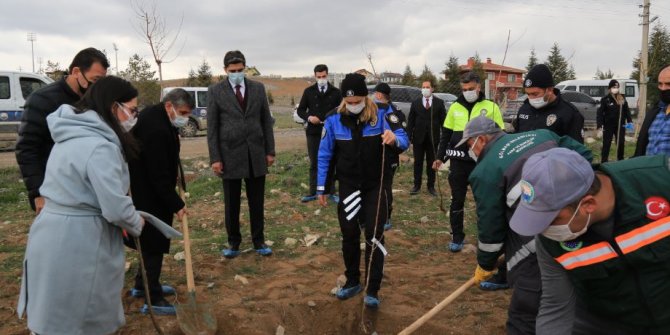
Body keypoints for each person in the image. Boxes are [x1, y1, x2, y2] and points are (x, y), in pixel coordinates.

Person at [17, 76, 145, 334]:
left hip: (50, 232)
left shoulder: (70, 135)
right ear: (113, 107)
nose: (134, 117)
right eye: (132, 110)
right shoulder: (100, 147)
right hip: (80, 240)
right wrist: (136, 221)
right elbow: (115, 207)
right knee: (81, 314)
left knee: (52, 309)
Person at [510, 148, 670, 334]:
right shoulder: (549, 241)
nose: (543, 229)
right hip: (605, 324)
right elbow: (556, 305)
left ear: (588, 205)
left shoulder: (661, 179)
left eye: (552, 219)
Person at [460, 116, 591, 334]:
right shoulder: (541, 135)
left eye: (468, 145)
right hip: (580, 218)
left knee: (527, 307)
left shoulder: (484, 172)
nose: (469, 151)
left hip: (538, 234)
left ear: (480, 139)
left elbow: (491, 226)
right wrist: (575, 192)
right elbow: (584, 156)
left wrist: (485, 263)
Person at [317, 73, 409, 308]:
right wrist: (322, 187)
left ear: (365, 98)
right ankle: (352, 280)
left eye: (357, 101)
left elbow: (403, 138)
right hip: (349, 186)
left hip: (376, 185)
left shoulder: (382, 115)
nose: (354, 105)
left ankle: (373, 287)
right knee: (349, 233)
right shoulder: (333, 120)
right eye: (349, 102)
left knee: (374, 235)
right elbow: (325, 154)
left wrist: (392, 138)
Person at [15, 47, 110, 212]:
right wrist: (38, 193)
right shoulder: (42, 100)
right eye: (95, 80)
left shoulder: (94, 101)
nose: (97, 88)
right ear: (76, 71)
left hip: (87, 190)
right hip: (55, 191)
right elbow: (27, 149)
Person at [126, 89, 193, 315]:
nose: (184, 117)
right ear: (169, 106)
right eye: (182, 112)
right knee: (153, 242)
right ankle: (152, 297)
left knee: (147, 242)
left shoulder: (158, 116)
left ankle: (140, 285)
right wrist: (176, 204)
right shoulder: (156, 129)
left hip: (146, 188)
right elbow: (158, 175)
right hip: (148, 193)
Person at [207, 50, 275, 258]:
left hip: (256, 153)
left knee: (257, 202)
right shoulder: (215, 91)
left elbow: (266, 121)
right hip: (229, 155)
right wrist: (215, 158)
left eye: (240, 70)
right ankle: (233, 242)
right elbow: (212, 127)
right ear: (225, 70)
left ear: (245, 68)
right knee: (232, 203)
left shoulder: (257, 88)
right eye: (232, 70)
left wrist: (269, 151)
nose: (237, 73)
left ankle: (258, 240)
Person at [434, 72, 504, 252]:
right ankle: (457, 236)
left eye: (471, 89)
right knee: (457, 200)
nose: (468, 92)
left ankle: (486, 237)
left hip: (482, 162)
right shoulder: (455, 107)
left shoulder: (491, 107)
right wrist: (439, 157)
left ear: (479, 87)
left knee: (484, 201)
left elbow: (500, 136)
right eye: (464, 89)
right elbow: (446, 135)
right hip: (458, 162)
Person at [296, 64, 342, 203]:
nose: (321, 79)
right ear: (315, 76)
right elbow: (301, 110)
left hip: (331, 132)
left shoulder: (336, 92)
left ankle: (331, 192)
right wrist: (310, 117)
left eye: (324, 76)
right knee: (315, 162)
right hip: (313, 132)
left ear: (327, 75)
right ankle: (314, 191)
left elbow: (342, 109)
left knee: (332, 161)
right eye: (318, 77)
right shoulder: (308, 91)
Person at [513, 64, 584, 143]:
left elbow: (576, 149)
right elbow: (517, 137)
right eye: (528, 94)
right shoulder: (524, 109)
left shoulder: (570, 113)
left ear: (549, 90)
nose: (531, 98)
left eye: (535, 94)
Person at [374, 82, 407, 231]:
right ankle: (373, 213)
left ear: (379, 95)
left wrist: (394, 149)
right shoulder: (374, 109)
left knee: (385, 186)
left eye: (375, 94)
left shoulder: (392, 112)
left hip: (388, 154)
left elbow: (402, 137)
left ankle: (386, 216)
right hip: (376, 154)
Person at [407, 80, 446, 196]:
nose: (425, 89)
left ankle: (431, 186)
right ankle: (416, 185)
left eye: (427, 87)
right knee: (418, 162)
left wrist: (445, 137)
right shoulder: (415, 103)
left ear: (432, 89)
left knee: (431, 163)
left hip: (433, 139)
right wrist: (408, 137)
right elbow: (410, 122)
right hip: (418, 138)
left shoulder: (439, 103)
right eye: (423, 87)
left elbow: (444, 122)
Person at [635, 65, 670, 157]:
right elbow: (641, 147)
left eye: (668, 84)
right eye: (660, 84)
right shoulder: (655, 112)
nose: (663, 88)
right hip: (647, 169)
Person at [597, 79, 632, 162]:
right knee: (607, 143)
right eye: (614, 87)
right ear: (609, 88)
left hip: (620, 124)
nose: (615, 88)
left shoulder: (622, 98)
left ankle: (620, 160)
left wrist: (630, 121)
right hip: (608, 125)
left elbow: (626, 110)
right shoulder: (605, 99)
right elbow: (600, 113)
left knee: (620, 142)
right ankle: (604, 161)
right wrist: (599, 125)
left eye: (617, 87)